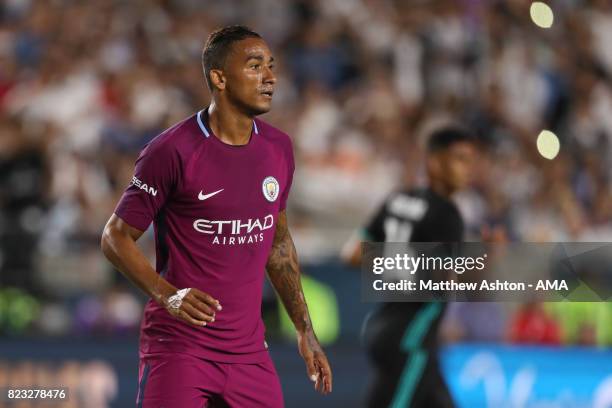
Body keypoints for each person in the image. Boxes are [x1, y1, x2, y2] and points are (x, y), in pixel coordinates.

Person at [101, 25, 332, 407]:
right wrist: (169, 296)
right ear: (219, 78)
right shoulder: (171, 151)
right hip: (180, 350)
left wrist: (305, 330)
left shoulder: (278, 149)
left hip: (249, 355)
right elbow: (114, 237)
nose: (270, 77)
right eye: (255, 66)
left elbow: (278, 244)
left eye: (271, 66)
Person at [342, 126, 476, 408]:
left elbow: (352, 254)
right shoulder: (447, 214)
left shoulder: (398, 199)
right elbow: (444, 281)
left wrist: (395, 262)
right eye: (459, 159)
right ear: (435, 162)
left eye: (469, 161)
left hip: (385, 327)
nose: (467, 169)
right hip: (412, 338)